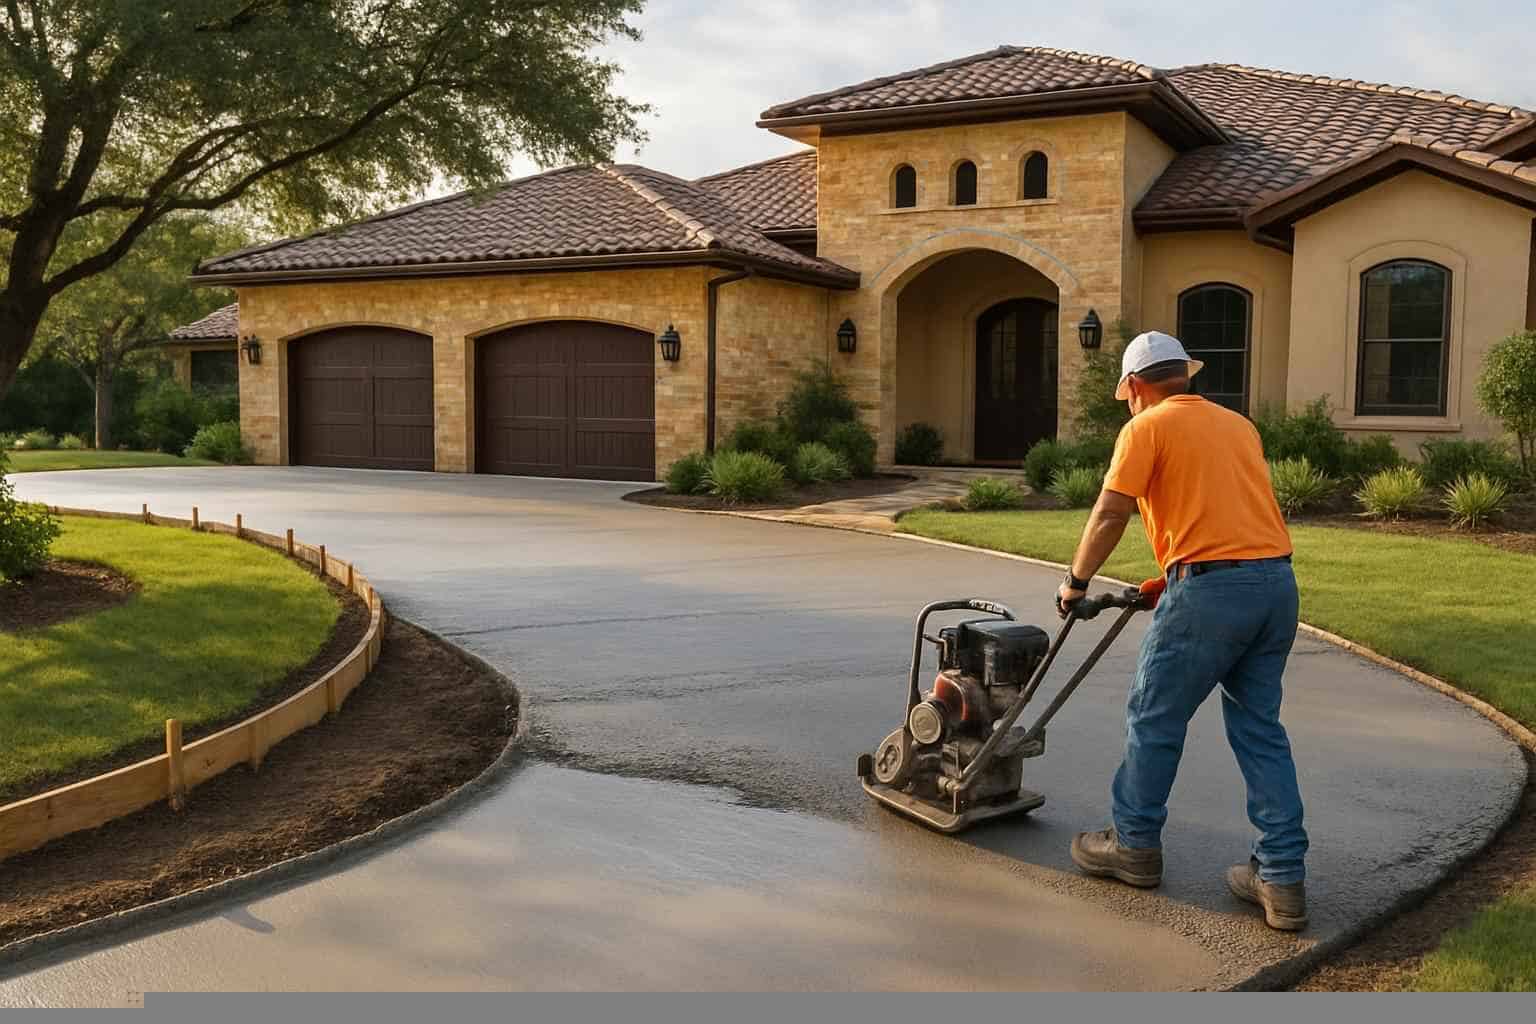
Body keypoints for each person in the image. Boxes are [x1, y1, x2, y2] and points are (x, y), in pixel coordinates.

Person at [1054, 331, 1310, 931]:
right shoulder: (1237, 425)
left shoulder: (1145, 427)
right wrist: (1172, 576)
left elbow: (1111, 511)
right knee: (1260, 729)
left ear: (1136, 386)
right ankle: (1281, 877)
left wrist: (1075, 582)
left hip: (1212, 592)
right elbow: (1226, 517)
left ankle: (1134, 845)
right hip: (1274, 585)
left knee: (1155, 716)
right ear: (1183, 375)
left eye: (1128, 396)